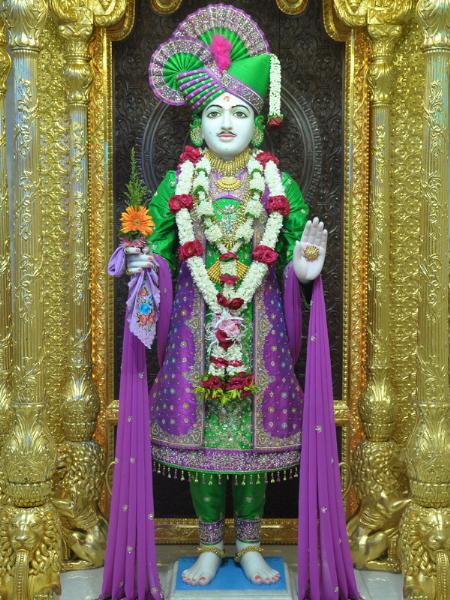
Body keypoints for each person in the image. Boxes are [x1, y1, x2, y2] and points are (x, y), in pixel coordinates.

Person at [102, 5, 358, 599]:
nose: (225, 123)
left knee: (254, 437)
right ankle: (208, 544)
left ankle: (249, 542)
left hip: (259, 328)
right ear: (196, 127)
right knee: (201, 438)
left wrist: (304, 267)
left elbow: (294, 252)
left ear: (259, 126)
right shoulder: (178, 183)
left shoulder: (277, 185)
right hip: (194, 328)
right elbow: (158, 247)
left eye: (239, 112)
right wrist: (141, 263)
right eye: (214, 112)